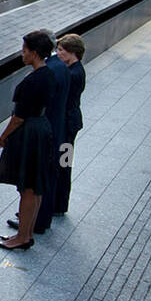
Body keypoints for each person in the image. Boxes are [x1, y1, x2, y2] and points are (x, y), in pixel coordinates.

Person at [0, 31, 57, 250]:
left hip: (30, 133)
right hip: (41, 129)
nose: (22, 53)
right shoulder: (49, 73)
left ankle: (21, 237)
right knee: (35, 186)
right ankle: (26, 234)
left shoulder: (34, 80)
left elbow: (18, 117)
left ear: (35, 53)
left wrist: (4, 136)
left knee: (27, 188)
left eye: (25, 50)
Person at [22, 28, 68, 234]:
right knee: (51, 172)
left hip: (48, 129)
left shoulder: (48, 72)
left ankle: (35, 222)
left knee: (39, 179)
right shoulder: (60, 67)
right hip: (58, 126)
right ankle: (43, 215)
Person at [54, 34, 87, 214]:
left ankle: (58, 204)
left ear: (73, 53)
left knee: (63, 164)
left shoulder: (72, 74)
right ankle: (59, 203)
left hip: (67, 124)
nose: (57, 53)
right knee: (64, 163)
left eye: (61, 50)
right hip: (71, 122)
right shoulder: (76, 70)